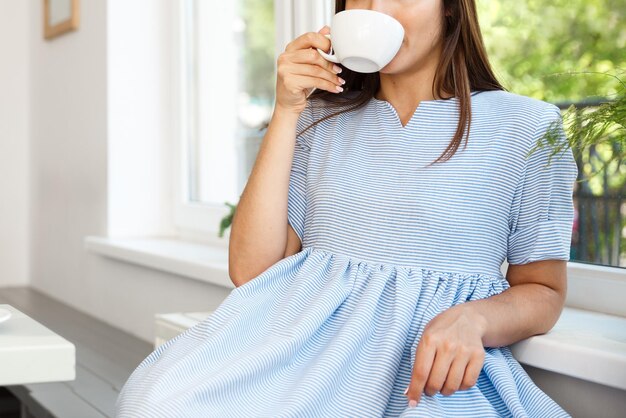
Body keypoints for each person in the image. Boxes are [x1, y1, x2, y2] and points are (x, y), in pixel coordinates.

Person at [115, 0, 578, 416]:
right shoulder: (317, 117)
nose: (378, 9)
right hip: (298, 351)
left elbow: (543, 291)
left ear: (452, 8)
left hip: (428, 370)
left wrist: (475, 319)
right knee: (155, 402)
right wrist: (287, 111)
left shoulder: (526, 127)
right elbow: (249, 269)